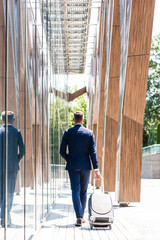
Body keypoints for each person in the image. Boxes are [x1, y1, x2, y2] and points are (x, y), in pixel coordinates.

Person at [60, 111, 101, 227]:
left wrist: (70, 159)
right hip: (85, 167)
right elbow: (93, 152)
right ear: (83, 120)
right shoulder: (89, 133)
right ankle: (81, 216)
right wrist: (96, 169)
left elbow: (61, 151)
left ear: (73, 120)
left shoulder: (68, 132)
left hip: (73, 166)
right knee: (83, 191)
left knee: (75, 190)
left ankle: (79, 216)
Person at [0, 111, 24, 226]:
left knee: (0, 192)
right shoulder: (17, 132)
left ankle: (2, 216)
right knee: (9, 192)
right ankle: (5, 216)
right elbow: (22, 151)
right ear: (13, 120)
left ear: (2, 119)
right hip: (12, 168)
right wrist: (16, 160)